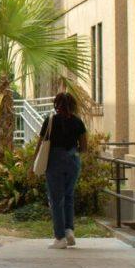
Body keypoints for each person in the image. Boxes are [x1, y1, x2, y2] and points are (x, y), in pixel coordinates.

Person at [35, 91, 87, 249]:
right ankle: (69, 230)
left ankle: (60, 238)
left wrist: (34, 161)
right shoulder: (78, 122)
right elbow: (84, 147)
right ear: (72, 104)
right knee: (69, 196)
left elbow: (40, 143)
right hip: (73, 161)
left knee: (56, 199)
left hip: (54, 161)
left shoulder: (50, 121)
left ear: (56, 105)